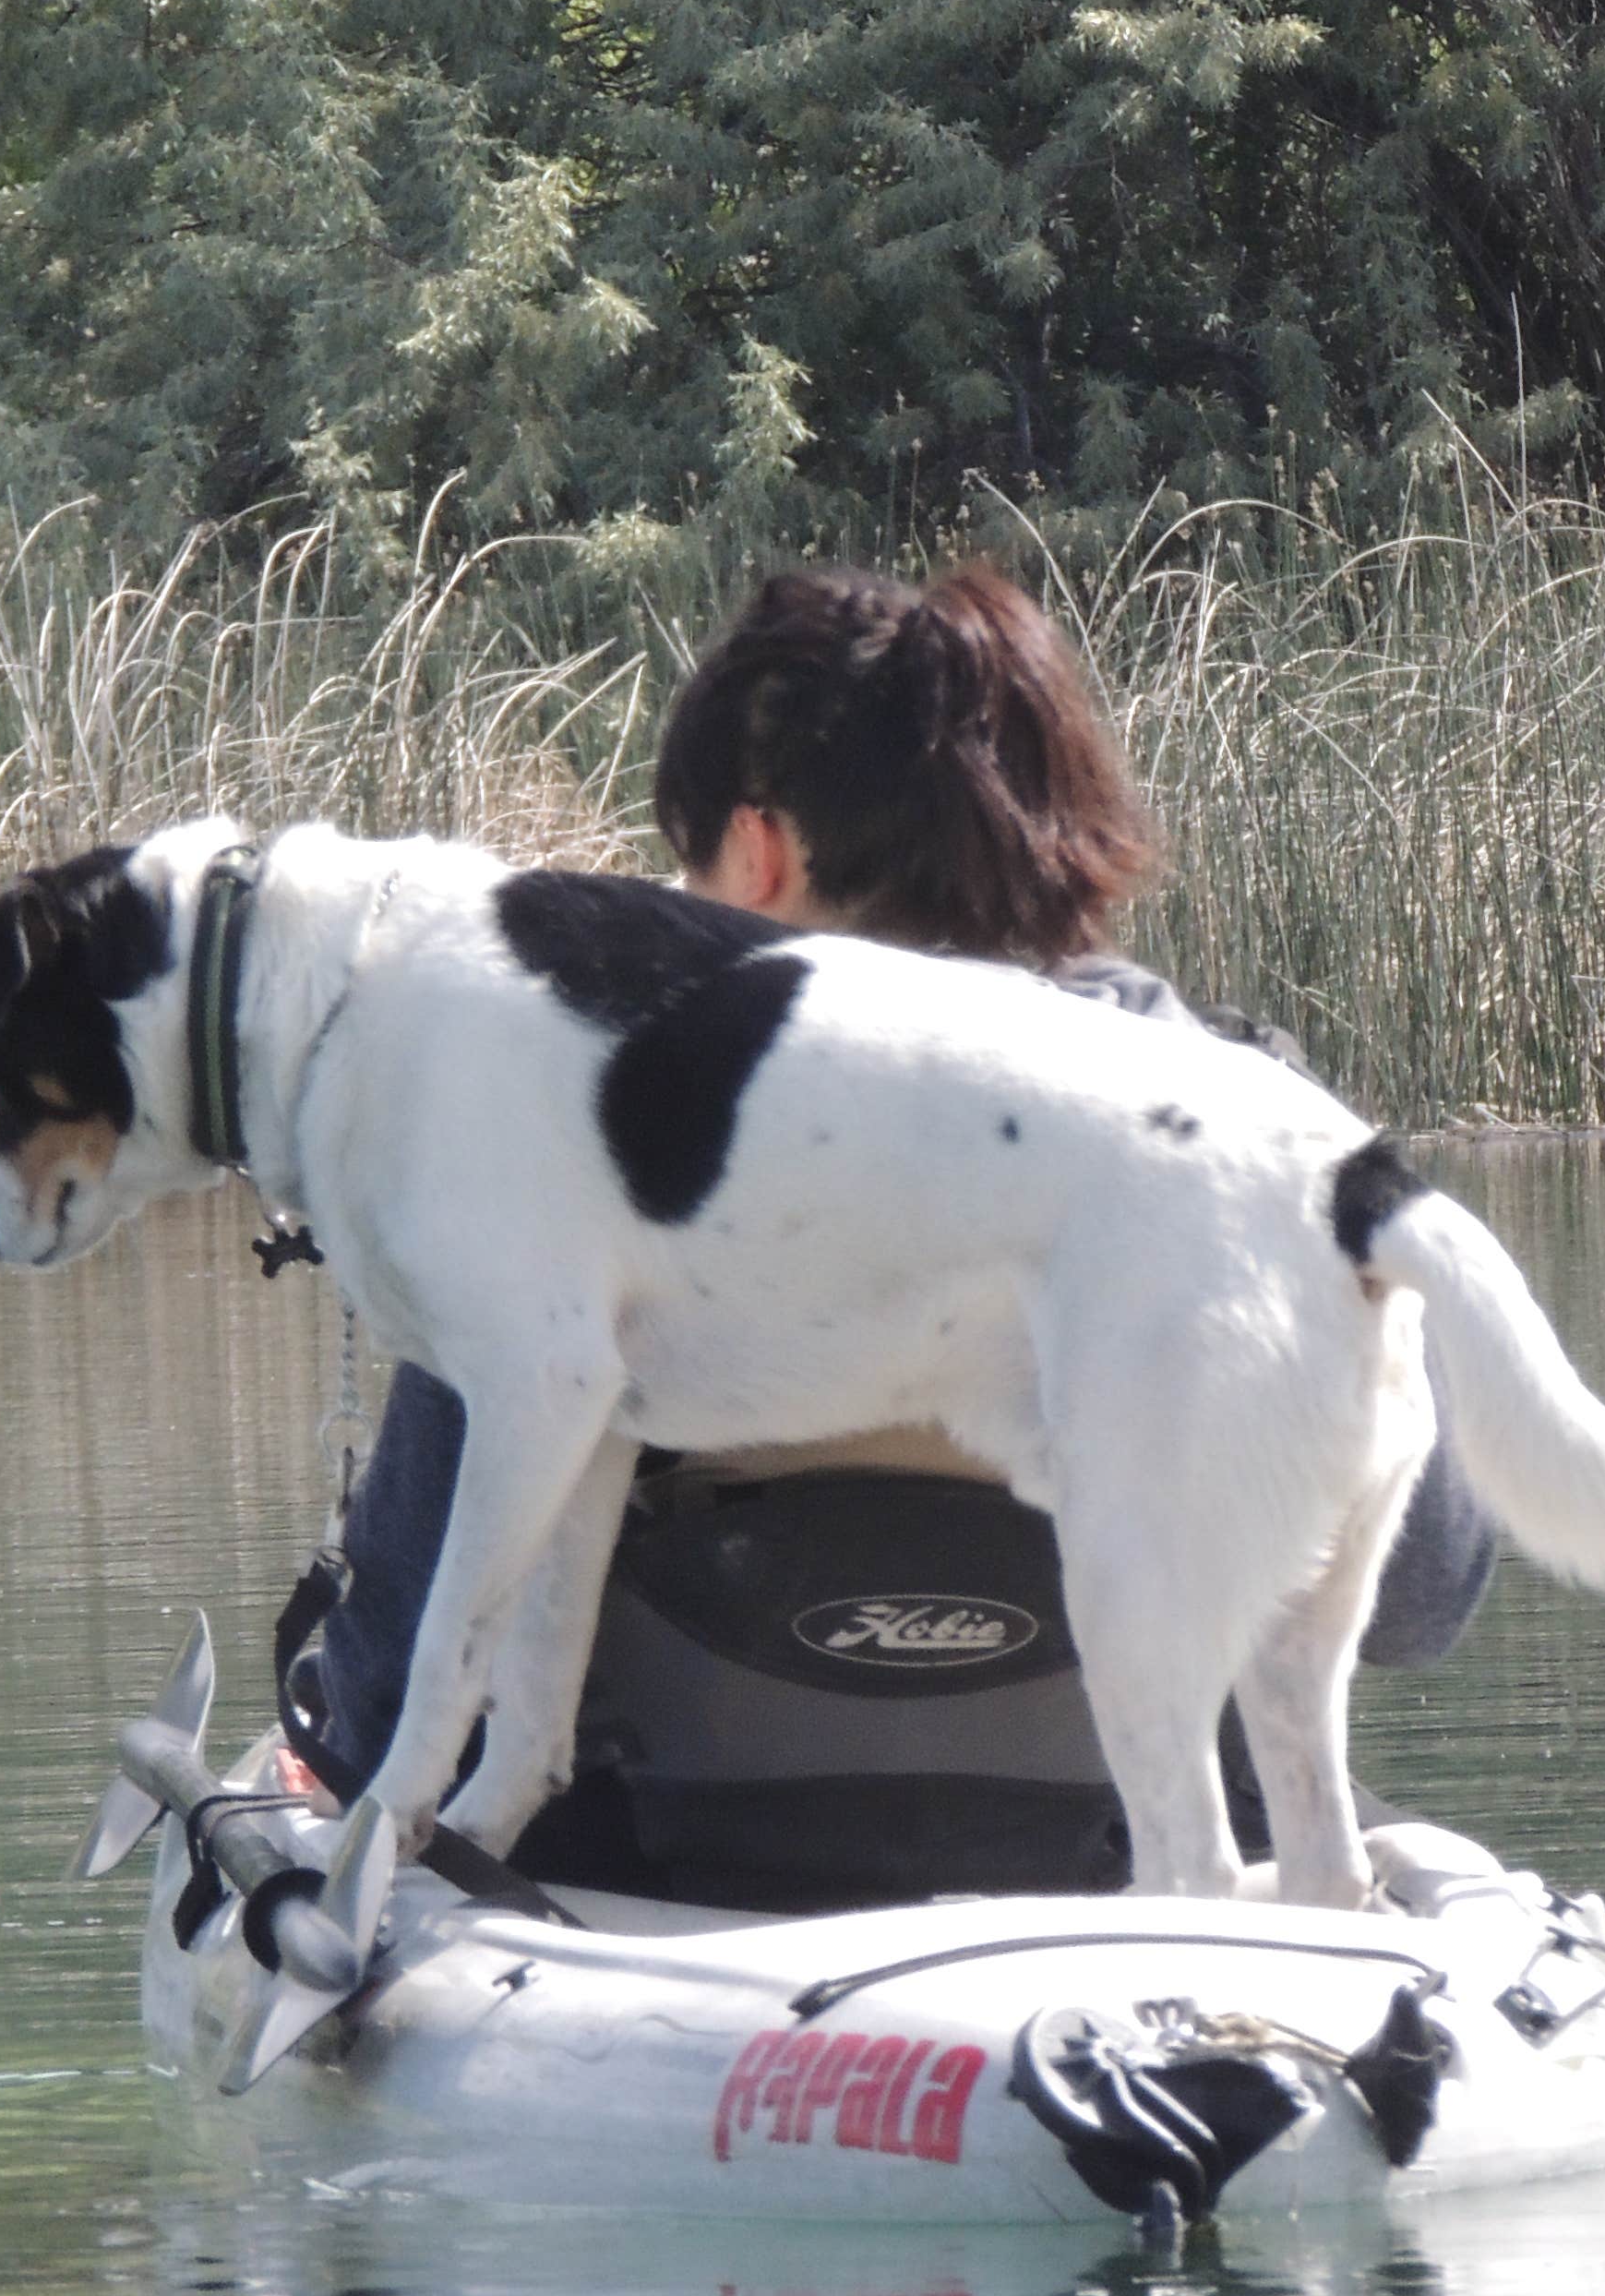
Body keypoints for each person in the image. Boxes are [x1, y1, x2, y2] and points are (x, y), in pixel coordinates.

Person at [282, 562, 1494, 1905]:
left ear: (758, 853)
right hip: (1111, 1879)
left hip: (661, 1893)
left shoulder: (580, 1144)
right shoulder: (1245, 1120)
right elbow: (1427, 1596)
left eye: (687, 872)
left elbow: (390, 1673)